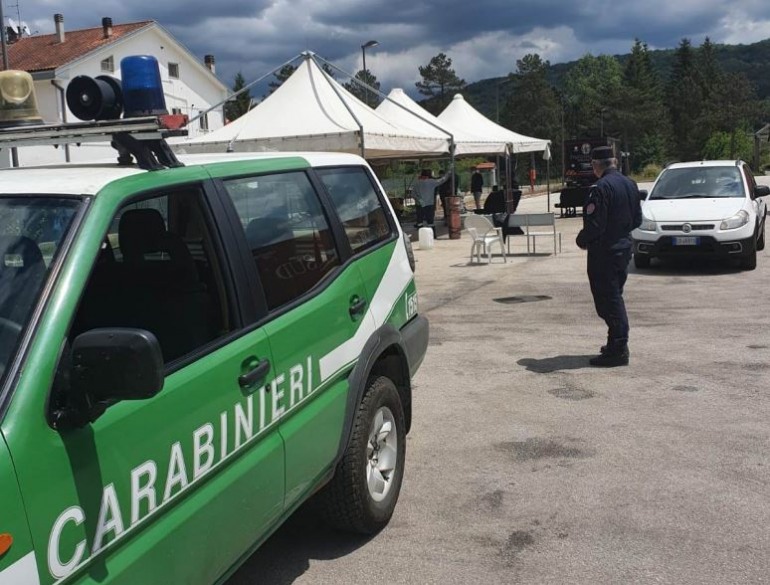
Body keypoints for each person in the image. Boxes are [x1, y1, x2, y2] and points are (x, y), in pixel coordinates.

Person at [576, 146, 642, 367]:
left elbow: (595, 225)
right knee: (614, 295)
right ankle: (615, 342)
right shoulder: (630, 184)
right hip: (623, 249)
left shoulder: (601, 188)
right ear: (614, 162)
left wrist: (582, 240)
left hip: (605, 252)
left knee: (609, 300)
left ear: (596, 165)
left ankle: (619, 348)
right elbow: (637, 220)